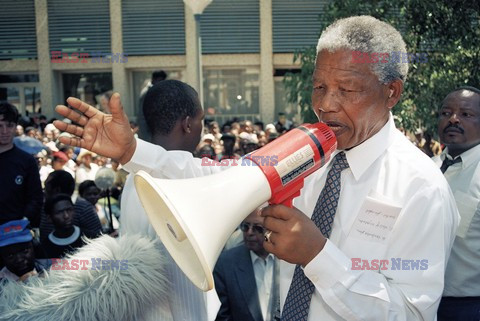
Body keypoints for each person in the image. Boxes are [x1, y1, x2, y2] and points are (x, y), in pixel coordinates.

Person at [54, 16, 459, 320]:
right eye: (319, 86)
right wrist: (132, 152)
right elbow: (222, 179)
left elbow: (412, 313)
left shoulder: (421, 188)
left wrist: (319, 257)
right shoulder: (308, 146)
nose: (327, 104)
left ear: (392, 92)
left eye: (347, 90)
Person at [434, 86, 480, 321]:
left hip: (468, 307)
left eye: (466, 114)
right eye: (446, 113)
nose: (453, 119)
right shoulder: (425, 168)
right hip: (418, 299)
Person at [214, 207, 279, 321]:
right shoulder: (225, 264)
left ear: (271, 229)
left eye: (257, 228)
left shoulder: (288, 261)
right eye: (245, 226)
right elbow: (222, 316)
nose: (249, 233)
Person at [0, 103, 43, 226]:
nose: (4, 131)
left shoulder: (26, 161)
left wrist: (23, 220)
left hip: (16, 233)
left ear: (15, 127)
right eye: (0, 126)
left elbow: (36, 198)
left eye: (9, 126)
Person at [41, 193, 86, 258]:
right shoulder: (44, 247)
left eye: (69, 210)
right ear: (49, 218)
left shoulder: (89, 237)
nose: (66, 216)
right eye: (59, 212)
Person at [137, 70, 167, 142]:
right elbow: (142, 116)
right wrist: (147, 137)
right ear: (154, 79)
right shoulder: (147, 93)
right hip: (148, 134)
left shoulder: (156, 91)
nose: (162, 83)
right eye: (160, 80)